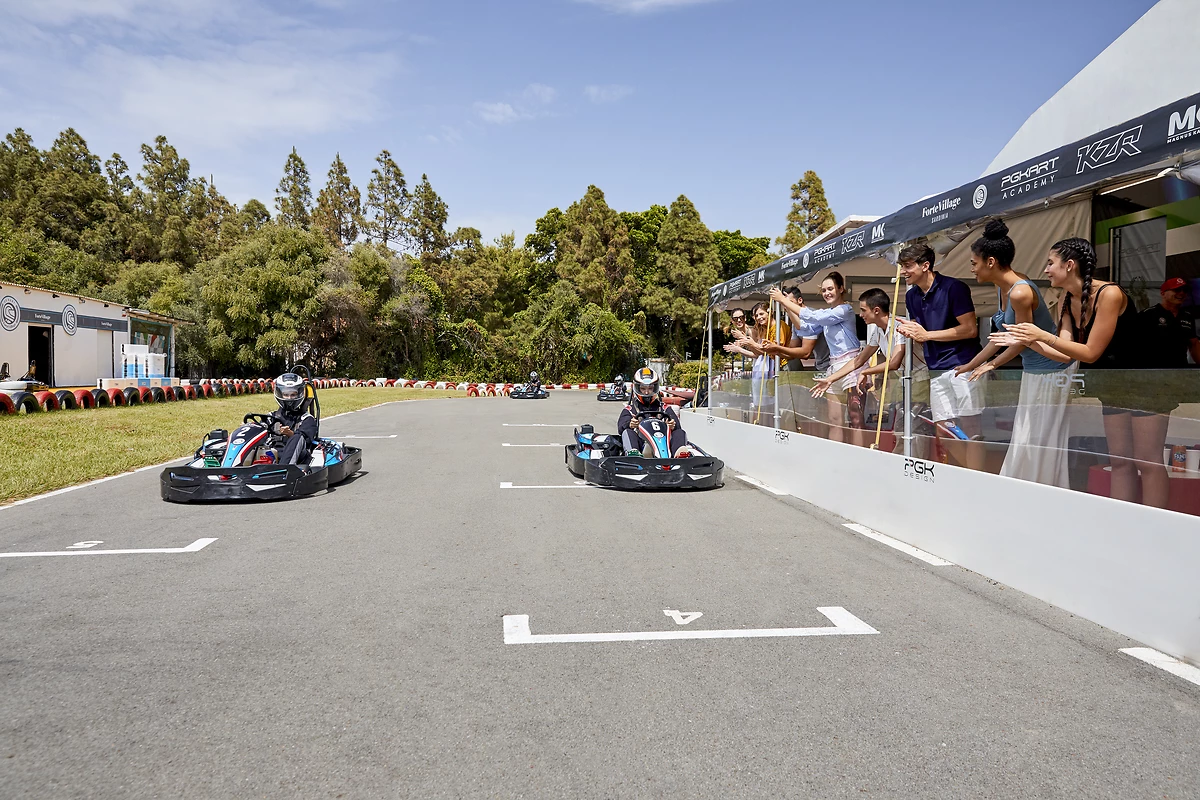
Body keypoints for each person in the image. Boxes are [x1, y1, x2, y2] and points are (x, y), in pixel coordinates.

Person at [992, 237, 1170, 508]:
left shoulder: (1109, 293)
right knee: (1120, 461)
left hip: (1148, 382)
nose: (1046, 270)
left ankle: (1158, 528)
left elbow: (1090, 352)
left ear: (1070, 265)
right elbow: (1065, 353)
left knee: (1148, 461)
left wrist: (1038, 334)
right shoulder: (1067, 298)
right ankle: (1120, 521)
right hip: (1114, 384)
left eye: (1051, 263)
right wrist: (1026, 340)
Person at [953, 220, 1073, 488]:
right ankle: (1024, 491)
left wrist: (992, 365)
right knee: (1027, 437)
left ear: (991, 261)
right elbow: (1002, 337)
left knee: (1038, 440)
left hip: (1051, 370)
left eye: (974, 263)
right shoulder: (1004, 287)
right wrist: (972, 364)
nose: (971, 268)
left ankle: (1041, 493)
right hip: (1035, 369)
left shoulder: (1019, 292)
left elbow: (1020, 340)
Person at [896, 243, 986, 469]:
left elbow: (969, 329)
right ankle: (966, 473)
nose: (903, 271)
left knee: (971, 428)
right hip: (936, 369)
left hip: (964, 365)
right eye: (902, 266)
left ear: (925, 266)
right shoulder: (911, 297)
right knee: (944, 429)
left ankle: (976, 481)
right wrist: (912, 330)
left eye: (907, 266)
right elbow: (924, 334)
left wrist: (926, 335)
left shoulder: (954, 288)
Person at [785, 272, 860, 442]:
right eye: (824, 290)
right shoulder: (827, 313)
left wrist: (784, 302)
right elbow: (806, 327)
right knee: (834, 420)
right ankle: (835, 456)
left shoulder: (845, 310)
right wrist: (788, 308)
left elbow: (813, 317)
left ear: (841, 289)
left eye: (830, 289)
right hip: (833, 367)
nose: (827, 293)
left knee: (855, 419)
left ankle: (858, 460)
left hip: (851, 364)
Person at [618, 367, 688, 457]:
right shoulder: (630, 410)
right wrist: (630, 424)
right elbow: (620, 428)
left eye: (650, 388)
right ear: (637, 388)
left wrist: (672, 425)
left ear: (655, 388)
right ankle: (633, 453)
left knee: (680, 432)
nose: (647, 392)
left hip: (663, 443)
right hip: (641, 445)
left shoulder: (664, 408)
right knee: (627, 432)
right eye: (643, 388)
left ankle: (680, 454)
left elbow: (677, 426)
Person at [1141, 278, 1200, 367]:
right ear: (1163, 293)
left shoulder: (1187, 316)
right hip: (1152, 370)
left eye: (1185, 290)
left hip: (1181, 370)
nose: (1181, 293)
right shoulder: (1148, 314)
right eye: (1176, 290)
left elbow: (1194, 343)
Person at [270, 372, 319, 465]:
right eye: (286, 394)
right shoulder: (271, 417)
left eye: (293, 394)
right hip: (272, 455)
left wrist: (290, 434)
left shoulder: (307, 419)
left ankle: (284, 470)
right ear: (279, 394)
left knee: (297, 437)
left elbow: (306, 442)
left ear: (300, 394)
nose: (289, 398)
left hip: (298, 459)